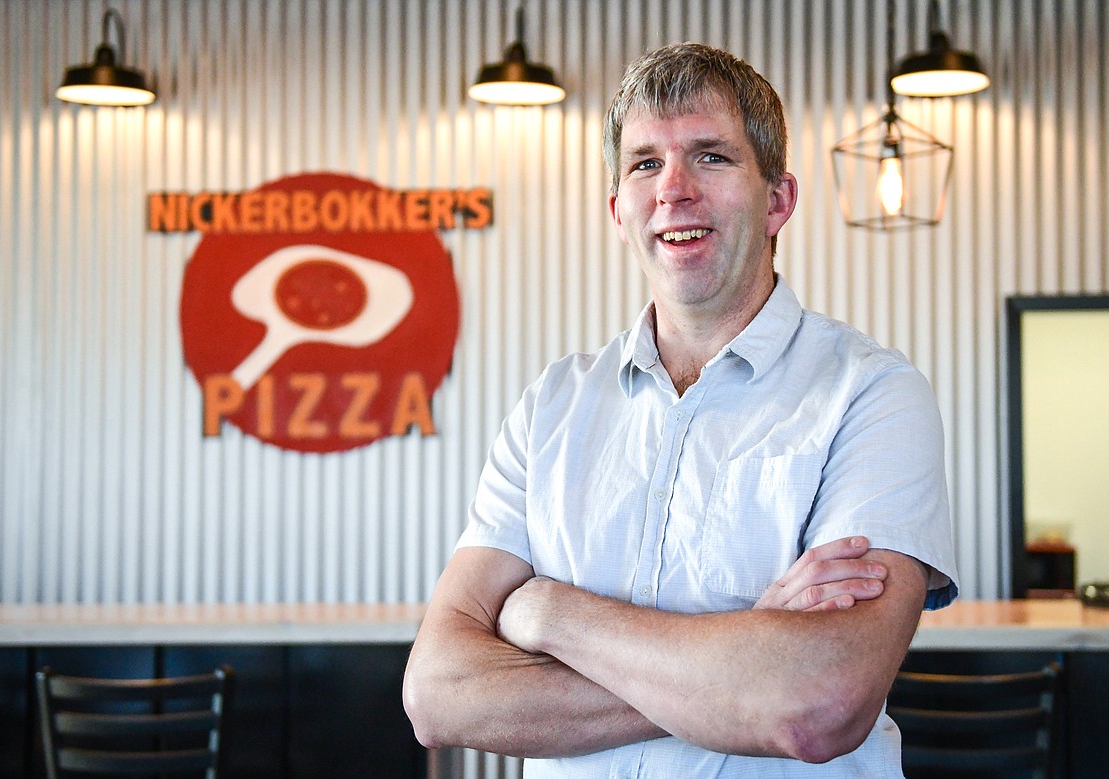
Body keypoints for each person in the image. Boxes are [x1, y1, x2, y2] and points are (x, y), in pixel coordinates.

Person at [403, 42, 958, 777]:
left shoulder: (873, 395)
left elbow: (821, 703)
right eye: (644, 164)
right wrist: (747, 660)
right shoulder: (552, 408)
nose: (673, 189)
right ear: (617, 209)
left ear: (779, 200)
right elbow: (438, 694)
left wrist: (549, 615)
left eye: (711, 157)